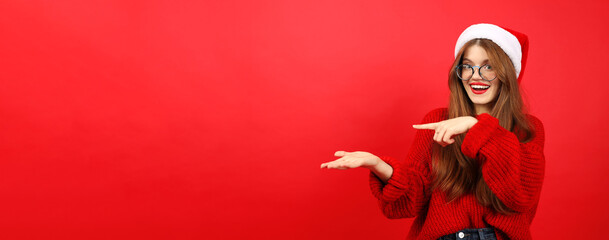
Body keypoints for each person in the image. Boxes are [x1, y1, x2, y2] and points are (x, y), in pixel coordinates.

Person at [320, 23, 545, 240]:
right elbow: (411, 199)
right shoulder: (437, 121)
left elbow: (521, 194)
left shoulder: (527, 129)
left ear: (506, 73)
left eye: (488, 66)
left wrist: (475, 126)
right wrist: (379, 166)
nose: (476, 75)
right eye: (467, 66)